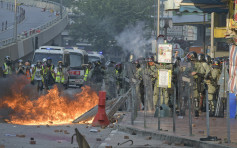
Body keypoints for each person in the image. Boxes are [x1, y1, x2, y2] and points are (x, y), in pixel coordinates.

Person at [185, 51, 200, 117]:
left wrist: (196, 73)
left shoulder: (198, 64)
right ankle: (184, 109)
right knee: (186, 96)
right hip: (189, 81)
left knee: (196, 97)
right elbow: (185, 73)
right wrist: (190, 74)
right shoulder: (189, 64)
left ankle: (196, 111)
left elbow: (201, 72)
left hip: (196, 82)